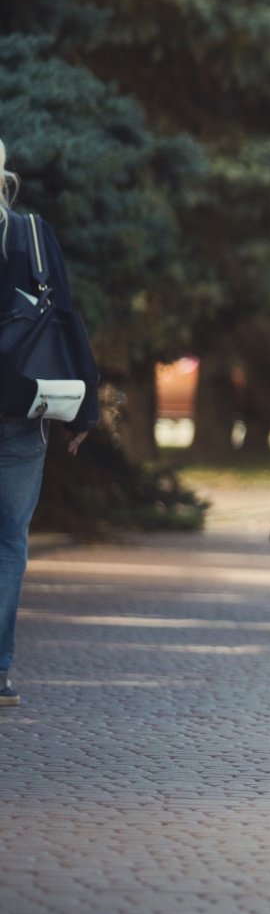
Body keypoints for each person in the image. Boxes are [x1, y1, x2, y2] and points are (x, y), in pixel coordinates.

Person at [0, 138, 101, 707]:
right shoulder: (30, 235)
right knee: (9, 542)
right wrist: (82, 408)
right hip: (19, 408)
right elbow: (62, 318)